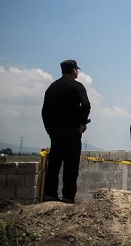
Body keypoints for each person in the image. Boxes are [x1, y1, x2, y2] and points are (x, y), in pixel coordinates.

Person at [41, 60, 91, 204]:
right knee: (71, 165)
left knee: (54, 165)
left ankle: (50, 195)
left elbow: (44, 111)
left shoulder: (52, 87)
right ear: (74, 70)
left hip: (55, 133)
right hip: (72, 132)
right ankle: (68, 197)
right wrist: (82, 123)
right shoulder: (77, 86)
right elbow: (86, 105)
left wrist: (49, 130)